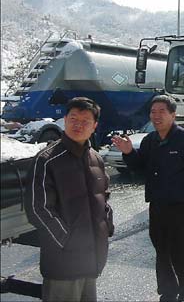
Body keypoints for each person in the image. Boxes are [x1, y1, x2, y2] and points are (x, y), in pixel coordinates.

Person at [111, 94, 184, 302]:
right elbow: (139, 169)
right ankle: (168, 291)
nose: (156, 116)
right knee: (162, 250)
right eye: (153, 112)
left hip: (182, 206)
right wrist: (128, 153)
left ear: (173, 114)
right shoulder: (149, 141)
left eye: (162, 111)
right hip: (157, 206)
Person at [25, 97, 114, 302]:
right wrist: (68, 240)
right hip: (63, 262)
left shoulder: (95, 158)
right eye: (73, 118)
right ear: (64, 120)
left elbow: (103, 197)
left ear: (95, 126)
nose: (78, 124)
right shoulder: (47, 160)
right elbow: (39, 209)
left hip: (92, 259)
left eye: (85, 120)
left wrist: (106, 226)